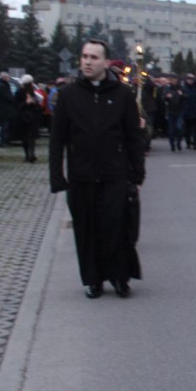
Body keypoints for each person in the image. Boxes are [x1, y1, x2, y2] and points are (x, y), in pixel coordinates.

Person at [49, 39, 145, 299]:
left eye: (94, 57)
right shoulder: (68, 95)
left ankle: (120, 277)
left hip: (115, 174)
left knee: (116, 227)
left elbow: (133, 137)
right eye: (85, 56)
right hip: (81, 176)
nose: (88, 62)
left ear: (105, 62)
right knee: (87, 229)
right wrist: (57, 177)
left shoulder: (122, 94)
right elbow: (57, 139)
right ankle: (94, 279)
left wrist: (137, 174)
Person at [14, 74, 44, 163]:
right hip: (24, 118)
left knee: (31, 138)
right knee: (26, 138)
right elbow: (17, 105)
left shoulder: (33, 93)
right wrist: (26, 102)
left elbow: (38, 106)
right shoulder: (19, 92)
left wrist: (35, 103)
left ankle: (31, 155)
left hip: (32, 118)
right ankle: (28, 155)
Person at [0, 71, 15, 147]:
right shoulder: (2, 86)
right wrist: (13, 99)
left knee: (6, 126)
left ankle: (6, 141)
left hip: (6, 109)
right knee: (5, 126)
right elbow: (8, 97)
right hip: (5, 109)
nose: (9, 78)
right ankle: (3, 141)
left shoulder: (4, 85)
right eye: (8, 77)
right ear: (4, 78)